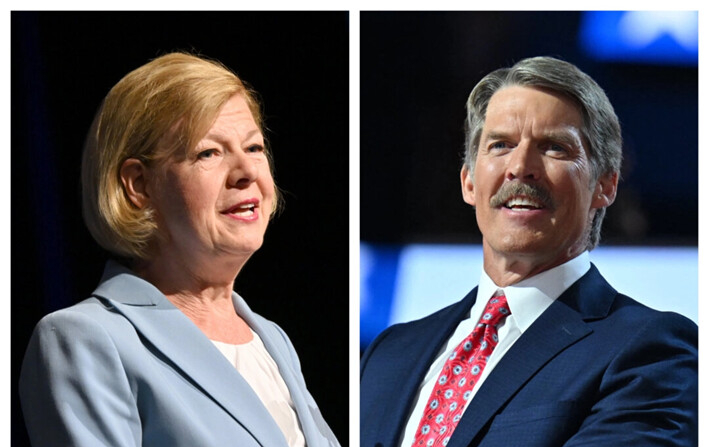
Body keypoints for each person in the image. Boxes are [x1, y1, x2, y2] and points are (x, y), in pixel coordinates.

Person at [360, 56, 697, 446]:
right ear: (469, 182)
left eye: (554, 147)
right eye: (500, 145)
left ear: (605, 185)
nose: (520, 167)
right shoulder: (388, 354)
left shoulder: (652, 352)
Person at [19, 52, 340, 447]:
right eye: (209, 153)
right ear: (138, 185)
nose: (247, 173)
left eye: (254, 147)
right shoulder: (86, 339)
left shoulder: (271, 339)